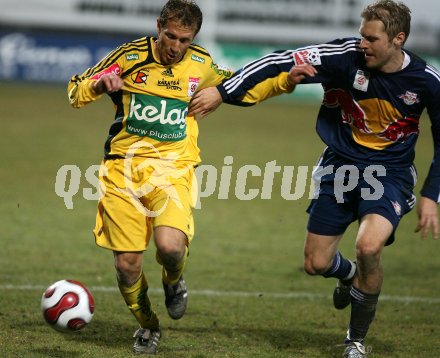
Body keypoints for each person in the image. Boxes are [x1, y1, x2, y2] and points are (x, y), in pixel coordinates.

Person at [188, 1, 440, 356]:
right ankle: (349, 275)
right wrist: (223, 92)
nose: (362, 44)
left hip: (390, 174)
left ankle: (355, 340)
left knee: (369, 247)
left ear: (398, 39)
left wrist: (432, 193)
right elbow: (278, 61)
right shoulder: (342, 56)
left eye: (371, 38)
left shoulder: (427, 81)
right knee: (316, 264)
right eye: (360, 35)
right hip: (340, 167)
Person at [67, 0, 311, 354]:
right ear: (158, 27)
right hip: (122, 171)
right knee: (126, 265)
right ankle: (149, 326)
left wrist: (284, 82)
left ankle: (174, 282)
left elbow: (239, 87)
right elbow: (76, 91)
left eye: (185, 39)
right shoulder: (130, 56)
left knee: (169, 247)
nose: (176, 47)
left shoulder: (200, 63)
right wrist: (99, 86)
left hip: (173, 169)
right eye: (171, 37)